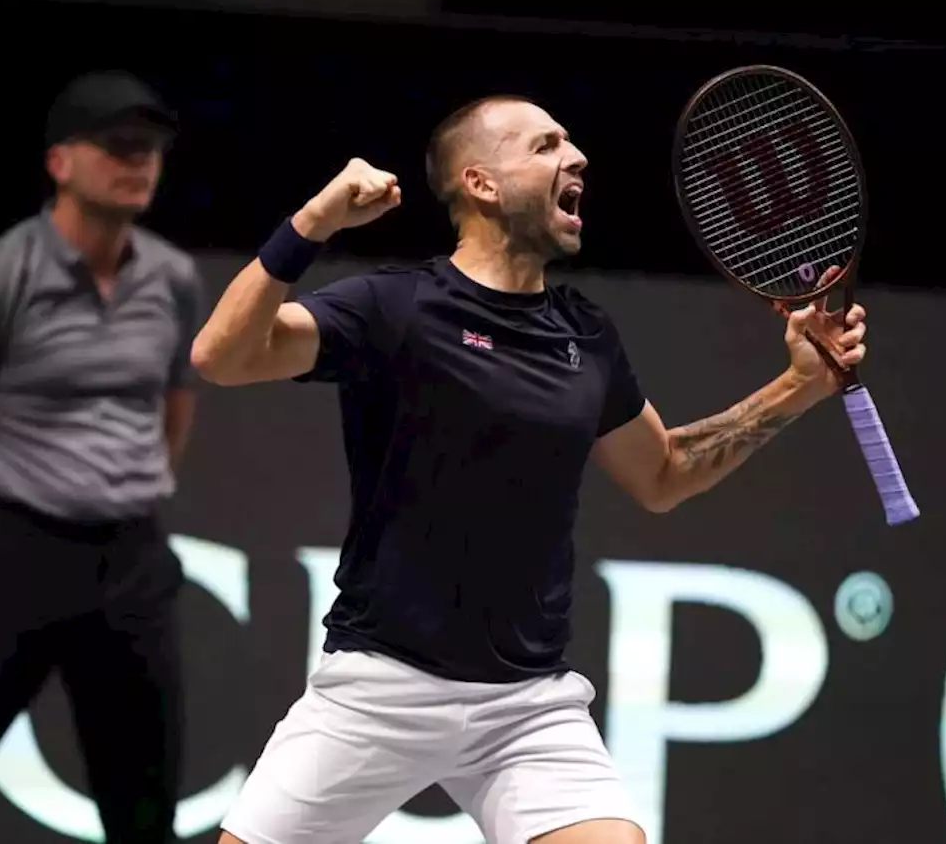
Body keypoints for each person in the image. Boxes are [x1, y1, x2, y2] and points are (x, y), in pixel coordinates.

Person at [191, 94, 867, 844]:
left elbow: (665, 473)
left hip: (525, 705)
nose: (575, 158)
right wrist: (311, 223)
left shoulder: (586, 335)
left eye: (571, 144)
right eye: (545, 145)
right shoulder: (399, 306)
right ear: (481, 183)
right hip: (382, 686)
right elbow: (222, 356)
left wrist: (800, 385)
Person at [0, 70, 203, 844]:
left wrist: (124, 491)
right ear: (60, 162)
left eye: (152, 149)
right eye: (119, 146)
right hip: (10, 555)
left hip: (127, 563)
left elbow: (173, 407)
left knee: (144, 814)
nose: (139, 162)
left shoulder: (172, 278)